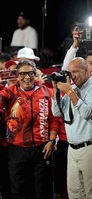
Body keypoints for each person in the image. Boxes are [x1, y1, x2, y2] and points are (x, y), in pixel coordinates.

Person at [0, 60, 59, 199]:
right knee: (19, 190)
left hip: (42, 148)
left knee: (42, 190)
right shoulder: (9, 92)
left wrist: (51, 141)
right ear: (17, 76)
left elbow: (54, 119)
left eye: (30, 73)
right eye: (23, 74)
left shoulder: (46, 92)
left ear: (35, 73)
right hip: (17, 149)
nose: (27, 77)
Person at [51, 57, 92, 199]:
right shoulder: (72, 89)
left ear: (86, 70)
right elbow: (57, 112)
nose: (72, 75)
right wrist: (56, 92)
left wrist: (70, 93)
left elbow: (87, 113)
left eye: (75, 71)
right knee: (74, 192)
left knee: (90, 191)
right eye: (70, 72)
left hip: (89, 148)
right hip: (72, 149)